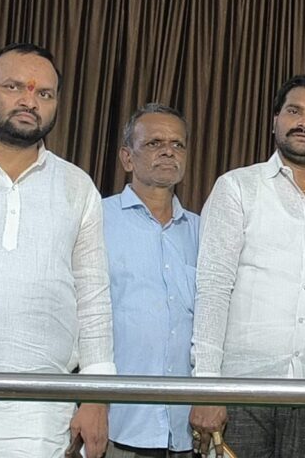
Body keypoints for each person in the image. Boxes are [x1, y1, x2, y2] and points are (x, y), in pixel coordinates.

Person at [190, 75, 305, 458]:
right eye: (294, 111)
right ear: (275, 120)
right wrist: (206, 387)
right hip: (242, 389)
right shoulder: (238, 187)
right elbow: (213, 288)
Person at [0, 43, 115, 458]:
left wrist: (97, 397)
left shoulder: (76, 186)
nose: (29, 101)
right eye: (14, 87)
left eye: (44, 94)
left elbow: (93, 298)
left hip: (39, 408)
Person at [103, 104, 199, 458]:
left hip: (187, 427)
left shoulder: (204, 231)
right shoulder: (97, 220)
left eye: (177, 144)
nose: (168, 152)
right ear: (127, 158)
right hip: (117, 423)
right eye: (154, 143)